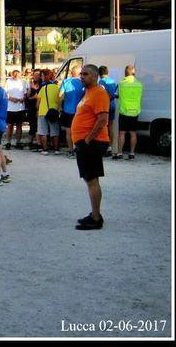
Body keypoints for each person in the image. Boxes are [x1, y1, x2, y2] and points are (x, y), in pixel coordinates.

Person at [71, 64, 110, 230]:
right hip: (85, 143)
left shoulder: (99, 92)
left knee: (92, 179)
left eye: (85, 74)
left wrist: (87, 140)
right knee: (90, 179)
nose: (82, 76)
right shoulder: (89, 92)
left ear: (95, 76)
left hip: (92, 143)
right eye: (81, 74)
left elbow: (102, 120)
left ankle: (96, 219)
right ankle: (95, 213)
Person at [116, 64, 143, 160]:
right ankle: (132, 153)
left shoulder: (121, 83)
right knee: (133, 133)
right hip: (135, 111)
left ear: (125, 73)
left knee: (122, 133)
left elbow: (117, 94)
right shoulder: (139, 84)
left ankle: (120, 153)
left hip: (124, 110)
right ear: (134, 73)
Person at [58, 65, 86, 158]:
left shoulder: (66, 81)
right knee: (79, 132)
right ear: (80, 73)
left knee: (68, 132)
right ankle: (78, 149)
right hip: (79, 111)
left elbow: (60, 96)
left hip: (67, 110)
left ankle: (71, 150)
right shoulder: (83, 83)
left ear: (71, 73)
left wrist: (60, 107)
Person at [36, 69, 61, 155]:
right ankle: (56, 149)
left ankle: (45, 149)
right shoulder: (57, 88)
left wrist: (37, 109)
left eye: (43, 76)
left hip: (43, 111)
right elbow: (60, 99)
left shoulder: (43, 88)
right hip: (53, 112)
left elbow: (38, 103)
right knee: (55, 132)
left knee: (43, 132)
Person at [3, 69, 28, 150]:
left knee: (19, 125)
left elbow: (25, 93)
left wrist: (23, 98)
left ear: (20, 75)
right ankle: (8, 142)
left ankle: (18, 142)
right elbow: (5, 93)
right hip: (10, 107)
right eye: (14, 74)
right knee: (10, 126)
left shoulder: (23, 82)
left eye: (17, 74)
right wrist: (11, 98)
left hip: (20, 107)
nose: (16, 76)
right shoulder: (8, 81)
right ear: (12, 75)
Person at [98, 66, 119, 158]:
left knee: (103, 126)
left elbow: (101, 94)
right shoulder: (113, 81)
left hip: (105, 106)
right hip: (113, 105)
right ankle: (110, 147)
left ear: (99, 73)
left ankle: (104, 147)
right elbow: (115, 94)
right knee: (110, 126)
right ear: (107, 72)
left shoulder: (101, 82)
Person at [25, 70, 42, 151]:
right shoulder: (31, 84)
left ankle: (39, 143)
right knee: (32, 125)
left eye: (37, 75)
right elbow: (28, 96)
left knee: (39, 126)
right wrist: (29, 86)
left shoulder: (42, 85)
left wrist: (34, 97)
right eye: (34, 75)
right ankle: (30, 142)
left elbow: (38, 96)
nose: (35, 76)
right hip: (31, 108)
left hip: (40, 107)